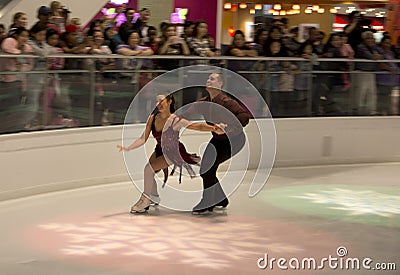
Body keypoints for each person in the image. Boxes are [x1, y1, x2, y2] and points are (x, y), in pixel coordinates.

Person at [117, 93, 226, 213]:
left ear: (169, 101)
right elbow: (143, 138)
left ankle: (146, 199)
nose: (158, 104)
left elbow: (197, 126)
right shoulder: (152, 118)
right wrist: (129, 148)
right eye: (156, 101)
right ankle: (154, 196)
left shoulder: (176, 120)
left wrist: (214, 128)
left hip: (173, 152)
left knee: (148, 170)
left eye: (161, 100)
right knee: (148, 171)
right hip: (159, 149)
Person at [183, 72, 250, 214]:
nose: (209, 80)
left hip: (234, 141)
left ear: (220, 84)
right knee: (206, 169)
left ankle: (208, 202)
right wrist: (169, 117)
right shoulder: (203, 103)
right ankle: (220, 198)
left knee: (208, 168)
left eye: (212, 79)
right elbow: (185, 114)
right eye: (208, 78)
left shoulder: (227, 102)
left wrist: (228, 128)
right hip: (218, 140)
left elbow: (244, 116)